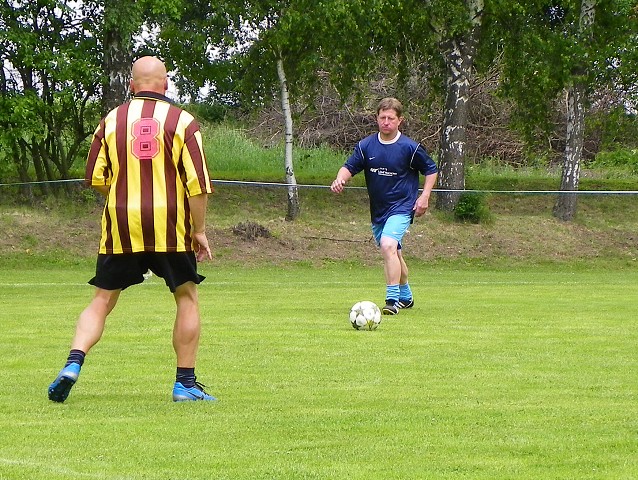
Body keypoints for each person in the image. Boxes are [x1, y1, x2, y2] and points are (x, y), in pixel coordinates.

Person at [48, 56, 216, 403]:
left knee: (102, 299)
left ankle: (73, 363)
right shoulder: (183, 122)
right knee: (186, 296)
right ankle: (185, 384)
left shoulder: (110, 120)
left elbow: (95, 177)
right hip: (171, 224)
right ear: (165, 84)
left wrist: (124, 196)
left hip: (121, 222)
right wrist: (199, 230)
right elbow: (197, 184)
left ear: (131, 85)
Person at [331, 97, 438, 315]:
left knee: (388, 245)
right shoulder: (365, 146)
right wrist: (340, 179)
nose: (386, 122)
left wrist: (424, 196)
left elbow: (431, 169)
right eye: (382, 117)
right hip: (379, 210)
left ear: (400, 120)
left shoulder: (410, 147)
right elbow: (349, 167)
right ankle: (406, 296)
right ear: (376, 118)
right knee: (394, 253)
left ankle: (392, 300)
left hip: (402, 206)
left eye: (391, 118)